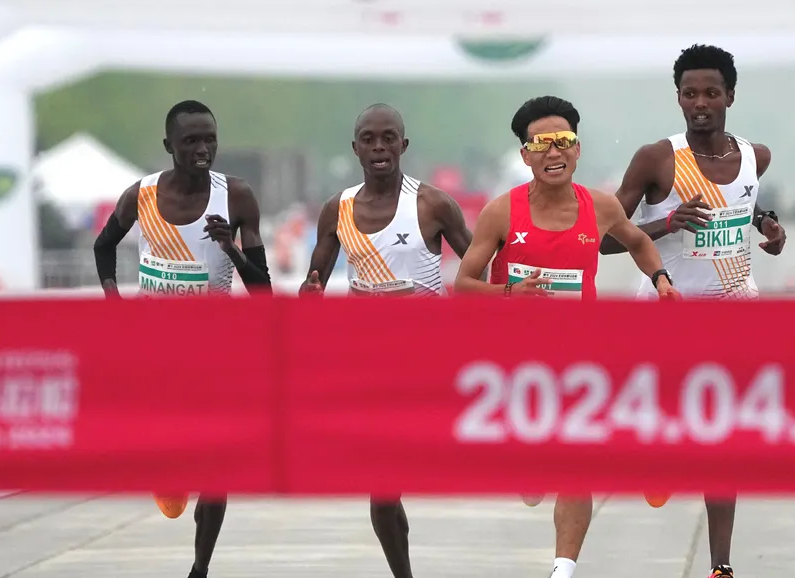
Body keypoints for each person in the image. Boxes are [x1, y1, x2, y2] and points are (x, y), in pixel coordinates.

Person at [453, 95, 679, 578]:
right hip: (518, 365)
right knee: (533, 484)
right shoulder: (500, 212)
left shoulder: (599, 207)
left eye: (563, 142)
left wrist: (661, 280)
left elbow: (637, 240)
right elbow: (464, 285)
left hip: (581, 360)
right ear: (526, 155)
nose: (553, 153)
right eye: (542, 144)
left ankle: (563, 569)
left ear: (577, 150)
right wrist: (511, 292)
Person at [599, 44, 788, 578]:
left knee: (723, 439)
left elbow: (744, 209)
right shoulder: (657, 158)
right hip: (668, 309)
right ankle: (658, 456)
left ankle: (721, 566)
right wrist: (666, 225)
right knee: (668, 419)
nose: (700, 103)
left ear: (730, 95)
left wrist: (768, 230)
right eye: (690, 93)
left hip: (734, 310)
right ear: (678, 98)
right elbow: (604, 240)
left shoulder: (757, 156)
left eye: (711, 93)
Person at [92, 99, 272, 578]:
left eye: (210, 138)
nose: (203, 149)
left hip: (218, 357)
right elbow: (103, 244)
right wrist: (114, 301)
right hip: (156, 359)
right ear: (169, 145)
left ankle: (200, 567)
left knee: (218, 469)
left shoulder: (235, 197)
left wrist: (230, 249)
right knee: (172, 495)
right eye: (191, 140)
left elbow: (264, 292)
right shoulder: (142, 195)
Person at [299, 103, 475, 578]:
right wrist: (311, 292)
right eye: (370, 139)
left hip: (428, 363)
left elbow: (479, 268)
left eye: (388, 138)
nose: (379, 147)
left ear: (404, 144)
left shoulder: (432, 204)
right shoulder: (337, 209)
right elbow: (311, 284)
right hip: (370, 366)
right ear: (355, 147)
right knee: (382, 490)